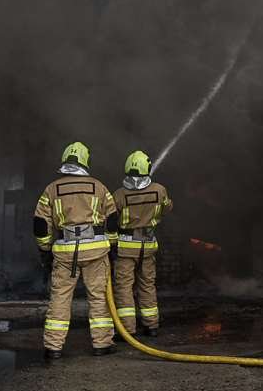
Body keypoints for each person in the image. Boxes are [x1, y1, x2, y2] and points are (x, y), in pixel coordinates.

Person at [33, 141, 119, 360]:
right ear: (86, 161)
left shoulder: (51, 189)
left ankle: (53, 347)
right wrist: (112, 245)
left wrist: (45, 250)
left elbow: (40, 224)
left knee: (60, 298)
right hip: (96, 251)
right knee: (99, 298)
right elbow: (112, 219)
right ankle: (102, 344)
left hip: (65, 252)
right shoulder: (99, 187)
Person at [110, 150, 173, 338]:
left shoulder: (119, 194)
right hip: (148, 245)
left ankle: (127, 329)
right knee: (147, 285)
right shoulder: (159, 190)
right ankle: (151, 326)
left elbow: (111, 219)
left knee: (124, 287)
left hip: (126, 247)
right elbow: (167, 208)